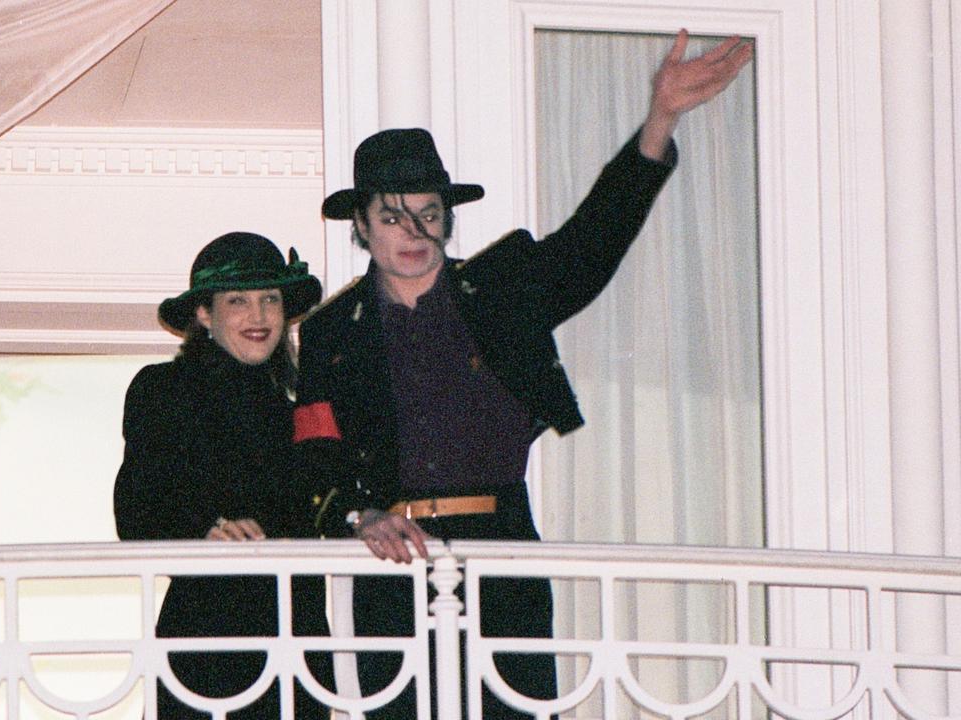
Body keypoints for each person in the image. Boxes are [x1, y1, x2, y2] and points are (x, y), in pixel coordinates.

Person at [292, 30, 753, 719]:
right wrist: (362, 515)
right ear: (361, 223)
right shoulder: (329, 333)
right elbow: (313, 450)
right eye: (392, 215)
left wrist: (660, 120)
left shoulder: (502, 287)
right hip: (391, 571)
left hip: (504, 550)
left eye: (429, 211)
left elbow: (593, 241)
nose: (414, 230)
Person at [113, 232, 331, 720]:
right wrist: (204, 529)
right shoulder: (163, 390)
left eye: (269, 299)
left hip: (296, 642)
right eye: (238, 301)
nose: (258, 316)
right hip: (206, 639)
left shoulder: (300, 403)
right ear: (204, 314)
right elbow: (136, 511)